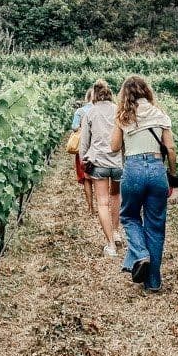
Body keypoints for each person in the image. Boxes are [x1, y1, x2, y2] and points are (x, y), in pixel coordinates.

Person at [110, 75, 178, 293]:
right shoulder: (161, 115)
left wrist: (119, 125)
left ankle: (140, 254)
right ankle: (154, 282)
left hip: (134, 169)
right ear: (147, 92)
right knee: (156, 226)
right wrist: (172, 176)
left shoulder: (124, 117)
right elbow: (171, 149)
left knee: (128, 216)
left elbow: (113, 146)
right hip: (157, 169)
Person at [78, 79, 123, 257]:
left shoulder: (90, 113)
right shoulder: (119, 111)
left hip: (98, 163)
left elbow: (84, 142)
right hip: (118, 162)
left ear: (95, 95)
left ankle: (111, 245)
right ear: (110, 94)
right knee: (116, 197)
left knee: (102, 202)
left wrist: (83, 160)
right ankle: (117, 231)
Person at [71, 87, 94, 215]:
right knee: (99, 178)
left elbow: (74, 127)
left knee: (86, 178)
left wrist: (81, 128)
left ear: (87, 97)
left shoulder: (80, 111)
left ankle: (91, 207)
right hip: (98, 148)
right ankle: (102, 204)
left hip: (83, 148)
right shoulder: (101, 111)